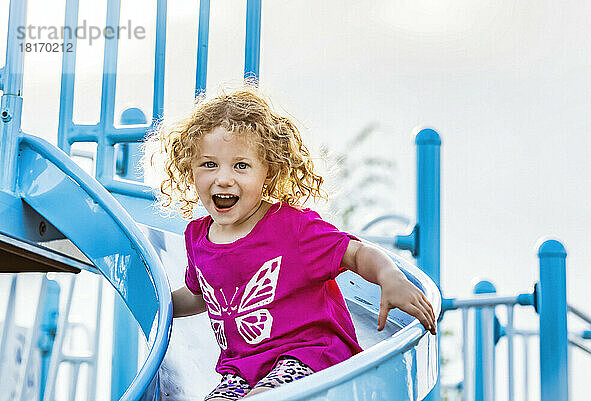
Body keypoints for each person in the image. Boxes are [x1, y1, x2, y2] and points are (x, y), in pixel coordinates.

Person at [153, 89, 437, 400]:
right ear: (188, 169)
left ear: (268, 171)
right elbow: (200, 296)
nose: (223, 178)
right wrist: (155, 301)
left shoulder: (292, 227)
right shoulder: (197, 237)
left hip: (310, 355)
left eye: (241, 166)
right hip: (242, 369)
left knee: (266, 397)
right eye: (209, 164)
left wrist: (389, 277)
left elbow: (355, 252)